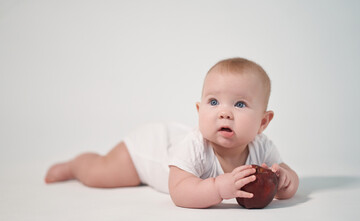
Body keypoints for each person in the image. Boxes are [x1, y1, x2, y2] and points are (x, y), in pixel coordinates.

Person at [45, 57, 299, 208]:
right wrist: (218, 188)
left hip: (163, 146)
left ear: (263, 122)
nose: (224, 113)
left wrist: (286, 182)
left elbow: (288, 179)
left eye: (240, 104)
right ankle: (76, 165)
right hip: (149, 151)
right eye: (213, 102)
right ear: (199, 109)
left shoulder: (262, 148)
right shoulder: (195, 146)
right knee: (99, 174)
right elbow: (179, 191)